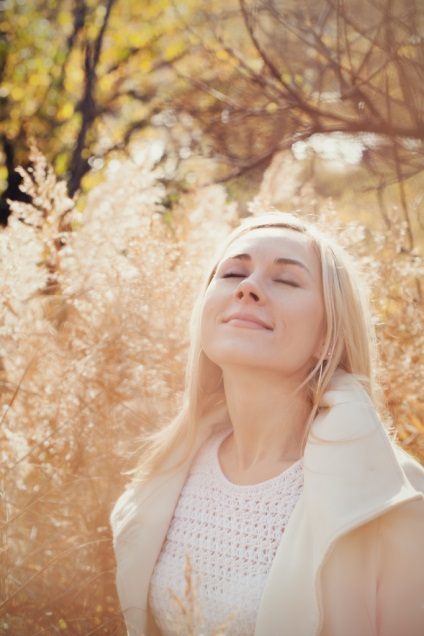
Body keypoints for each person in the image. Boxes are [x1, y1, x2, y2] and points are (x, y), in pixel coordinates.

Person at [111, 211, 424, 636]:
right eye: (234, 272)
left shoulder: (395, 500)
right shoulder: (166, 472)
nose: (248, 288)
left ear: (327, 337)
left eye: (287, 280)